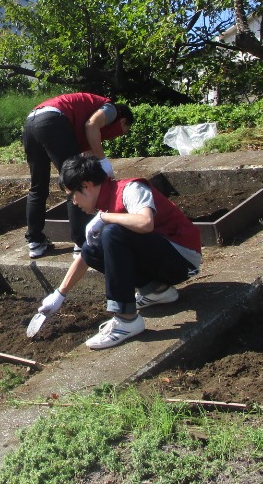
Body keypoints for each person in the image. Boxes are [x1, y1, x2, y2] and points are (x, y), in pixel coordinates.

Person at [35, 155, 201, 349]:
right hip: (163, 259)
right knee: (92, 247)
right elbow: (86, 255)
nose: (73, 203)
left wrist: (105, 218)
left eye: (72, 196)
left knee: (112, 232)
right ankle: (157, 290)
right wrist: (60, 294)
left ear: (87, 186)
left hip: (182, 259)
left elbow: (145, 223)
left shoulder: (131, 189)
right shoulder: (108, 201)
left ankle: (126, 319)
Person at [22, 93, 133, 258]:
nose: (118, 136)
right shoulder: (111, 109)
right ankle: (82, 243)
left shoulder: (83, 118)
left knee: (38, 185)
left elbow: (87, 154)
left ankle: (35, 242)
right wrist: (103, 161)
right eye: (123, 132)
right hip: (53, 120)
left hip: (31, 123)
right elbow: (91, 125)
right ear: (123, 121)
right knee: (75, 183)